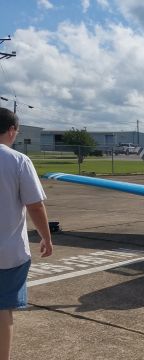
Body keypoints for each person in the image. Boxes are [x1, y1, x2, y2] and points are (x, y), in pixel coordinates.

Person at [0, 107, 53, 360]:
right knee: (2, 312)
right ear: (11, 130)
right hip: (7, 254)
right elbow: (34, 205)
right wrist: (46, 237)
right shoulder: (19, 160)